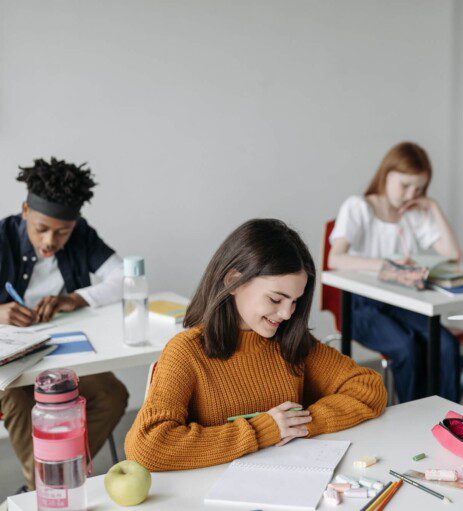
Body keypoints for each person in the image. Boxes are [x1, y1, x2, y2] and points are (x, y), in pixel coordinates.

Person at [124, 219, 386, 471]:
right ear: (233, 282)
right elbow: (148, 445)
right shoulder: (187, 351)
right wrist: (266, 429)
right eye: (275, 299)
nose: (286, 314)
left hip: (287, 481)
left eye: (295, 301)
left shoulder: (290, 342)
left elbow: (369, 387)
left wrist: (300, 423)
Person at [0, 157, 128, 491]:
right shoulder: (1, 238)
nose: (49, 241)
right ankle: (49, 489)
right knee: (17, 399)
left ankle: (53, 483)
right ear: (26, 210)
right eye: (42, 228)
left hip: (62, 355)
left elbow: (126, 278)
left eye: (62, 232)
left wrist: (76, 299)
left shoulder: (82, 236)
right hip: (9, 365)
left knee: (112, 395)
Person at [327, 141, 462, 403]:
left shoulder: (412, 214)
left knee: (446, 345)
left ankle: (449, 418)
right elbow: (335, 258)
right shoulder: (358, 208)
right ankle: (416, 418)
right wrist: (387, 266)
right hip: (362, 306)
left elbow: (452, 253)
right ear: (385, 175)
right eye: (405, 185)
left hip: (403, 302)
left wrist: (432, 206)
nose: (412, 194)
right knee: (406, 348)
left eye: (419, 188)